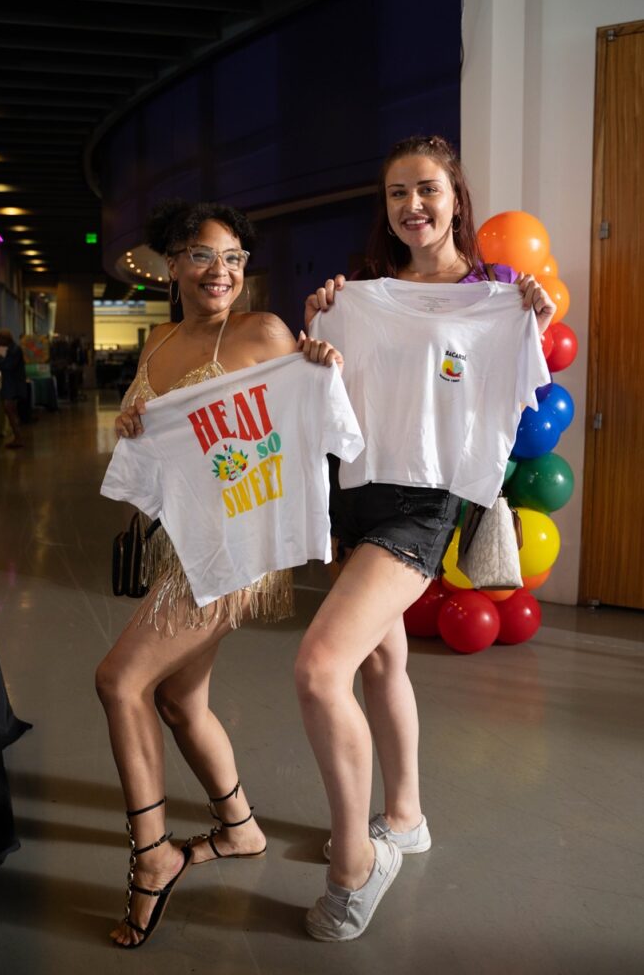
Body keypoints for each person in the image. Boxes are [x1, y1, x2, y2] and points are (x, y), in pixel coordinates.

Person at [296, 134, 556, 941]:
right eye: (398, 193)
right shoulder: (362, 293)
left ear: (455, 199)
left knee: (317, 669)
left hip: (422, 503)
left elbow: (522, 390)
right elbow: (325, 390)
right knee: (382, 656)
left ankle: (357, 862)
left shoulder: (494, 294)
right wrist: (319, 332)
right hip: (359, 495)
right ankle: (404, 817)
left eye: (428, 190)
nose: (413, 205)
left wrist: (531, 322)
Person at [95, 199, 341, 949]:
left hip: (234, 554)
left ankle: (154, 859)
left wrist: (321, 368)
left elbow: (305, 409)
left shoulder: (263, 334)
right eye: (203, 256)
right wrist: (132, 424)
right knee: (177, 701)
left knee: (119, 681)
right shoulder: (160, 339)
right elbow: (146, 427)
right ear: (172, 264)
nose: (221, 272)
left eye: (234, 258)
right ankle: (238, 830)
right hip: (181, 544)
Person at [0, 329, 27, 448]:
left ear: (5, 339)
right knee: (12, 412)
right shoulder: (13, 349)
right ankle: (18, 436)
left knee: (10, 411)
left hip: (13, 386)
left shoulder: (14, 350)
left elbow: (7, 366)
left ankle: (19, 438)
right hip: (13, 385)